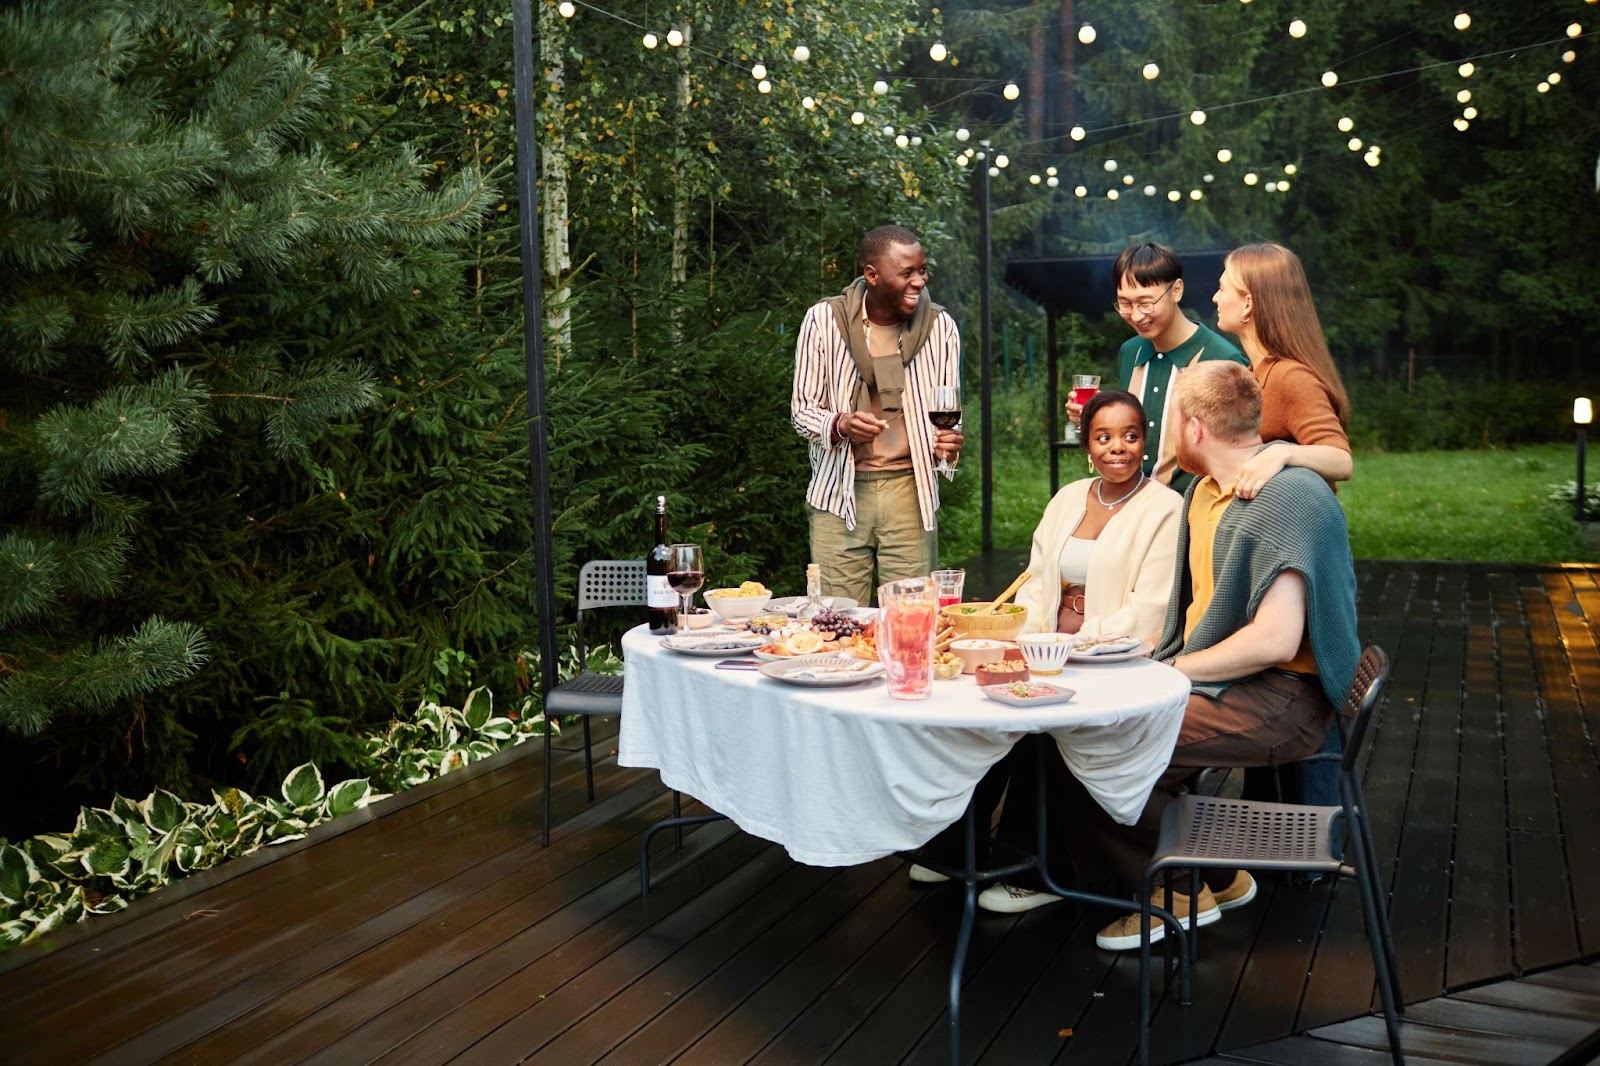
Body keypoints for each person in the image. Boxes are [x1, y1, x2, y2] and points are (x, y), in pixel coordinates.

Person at [1057, 361, 1360, 950]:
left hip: (1281, 698)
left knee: (1108, 745)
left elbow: (1274, 640)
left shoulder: (1287, 495)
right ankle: (1216, 876)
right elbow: (1197, 613)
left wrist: (1168, 673)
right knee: (1090, 726)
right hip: (1229, 683)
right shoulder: (1203, 492)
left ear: (1193, 428)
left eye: (1169, 421)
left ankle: (1174, 899)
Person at [911, 391, 1183, 906]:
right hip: (1046, 650)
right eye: (1103, 437)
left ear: (1145, 442)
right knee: (984, 714)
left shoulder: (1165, 508)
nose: (1117, 448)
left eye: (1129, 436)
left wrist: (1072, 647)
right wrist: (1032, 644)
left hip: (1111, 660)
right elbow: (1037, 584)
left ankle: (1036, 871)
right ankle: (959, 849)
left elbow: (1151, 608)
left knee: (1040, 731)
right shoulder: (1068, 499)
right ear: (1088, 445)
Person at [791, 225, 964, 606]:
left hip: (910, 491)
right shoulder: (824, 321)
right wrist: (840, 424)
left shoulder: (940, 327)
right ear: (872, 275)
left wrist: (949, 444)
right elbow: (802, 412)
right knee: (837, 619)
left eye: (922, 270)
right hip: (839, 493)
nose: (919, 281)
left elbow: (948, 412)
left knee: (911, 619)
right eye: (907, 273)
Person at [1066, 243, 1247, 495]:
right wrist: (1094, 416)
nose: (1137, 315)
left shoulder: (1223, 360)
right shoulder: (1131, 352)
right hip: (1134, 503)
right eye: (1125, 304)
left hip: (1194, 510)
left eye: (1146, 303)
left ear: (1176, 290)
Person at [1212, 242, 1353, 499]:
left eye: (1222, 288)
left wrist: (1281, 453)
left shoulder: (1290, 377)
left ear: (1247, 304)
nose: (1215, 298)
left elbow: (1341, 460)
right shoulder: (1251, 373)